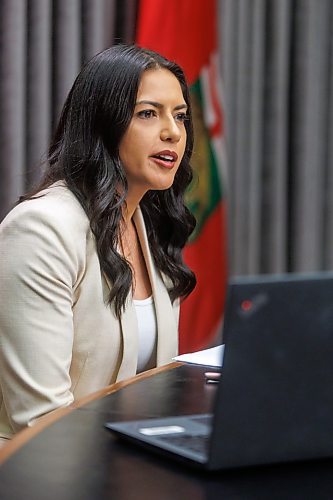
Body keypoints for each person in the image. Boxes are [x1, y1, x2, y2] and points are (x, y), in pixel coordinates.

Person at [0, 44, 196, 445]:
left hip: (122, 463)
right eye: (148, 113)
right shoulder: (41, 230)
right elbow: (41, 422)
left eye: (180, 117)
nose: (173, 132)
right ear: (102, 124)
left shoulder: (149, 224)